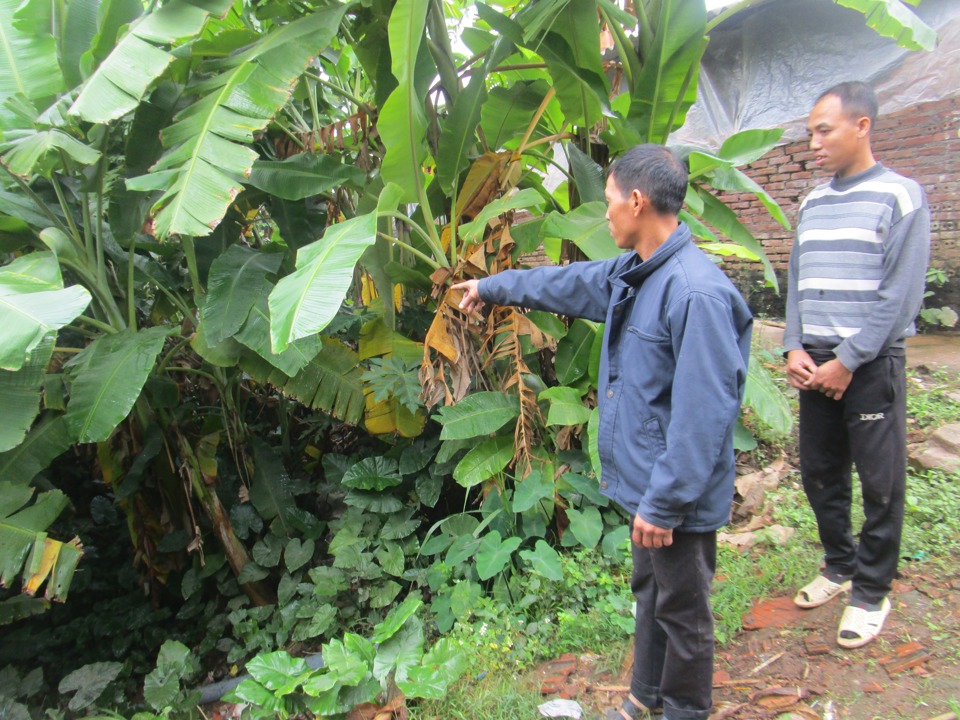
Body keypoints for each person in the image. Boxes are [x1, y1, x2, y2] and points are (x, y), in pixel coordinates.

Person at [454, 144, 752, 720]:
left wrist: (664, 504)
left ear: (638, 202)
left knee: (684, 617)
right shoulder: (635, 274)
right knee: (652, 598)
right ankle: (643, 700)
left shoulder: (694, 293)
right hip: (652, 489)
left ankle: (684, 711)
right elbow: (567, 286)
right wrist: (492, 287)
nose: (606, 211)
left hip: (676, 498)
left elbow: (703, 416)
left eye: (610, 200)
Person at [784, 81, 930, 649]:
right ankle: (838, 565)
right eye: (811, 133)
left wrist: (847, 360)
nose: (813, 143)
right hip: (812, 364)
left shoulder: (901, 196)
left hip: (868, 366)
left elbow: (900, 296)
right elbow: (798, 281)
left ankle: (871, 591)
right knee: (820, 473)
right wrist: (795, 346)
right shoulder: (812, 201)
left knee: (880, 483)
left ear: (862, 126)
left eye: (824, 130)